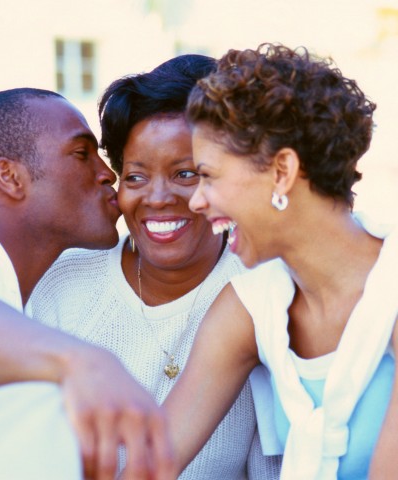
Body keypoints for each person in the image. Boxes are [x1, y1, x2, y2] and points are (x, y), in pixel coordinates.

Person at [29, 55, 282, 478]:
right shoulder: (61, 283)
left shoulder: (263, 292)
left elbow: (274, 469)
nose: (158, 197)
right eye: (136, 177)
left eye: (185, 174)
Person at [155, 43, 398, 480]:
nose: (195, 201)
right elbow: (150, 465)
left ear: (282, 171)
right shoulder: (252, 304)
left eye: (208, 176)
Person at [0, 88, 175, 480]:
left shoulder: (26, 293)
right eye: (81, 154)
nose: (108, 174)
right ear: (10, 177)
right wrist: (81, 361)